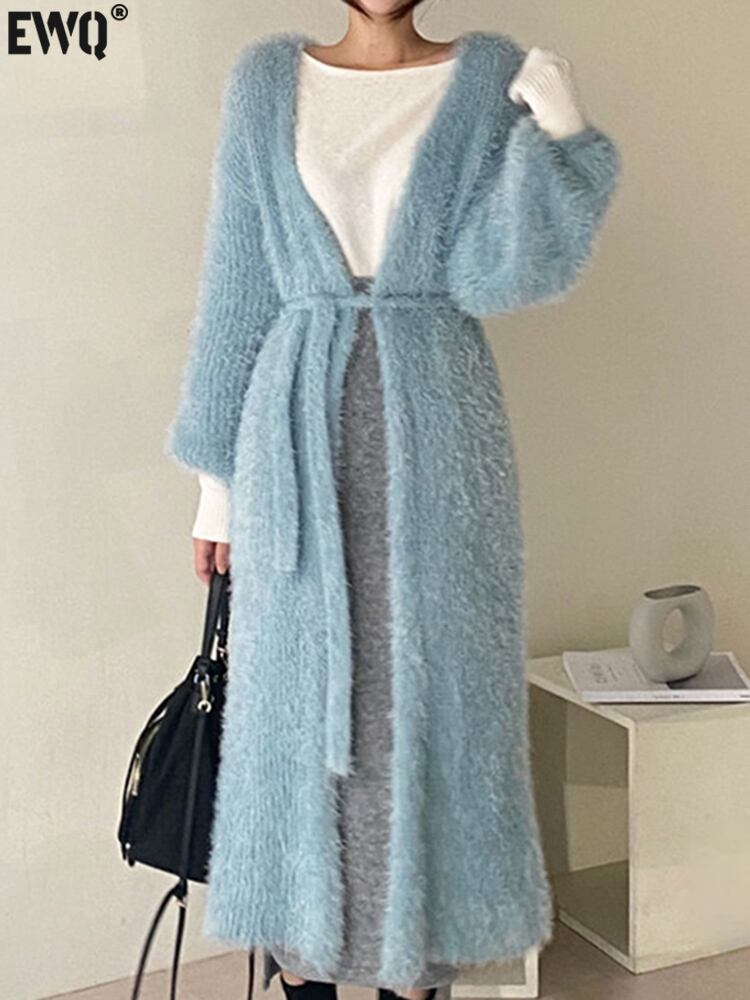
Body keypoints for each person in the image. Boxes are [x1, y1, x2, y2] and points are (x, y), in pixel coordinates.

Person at [164, 3, 621, 999]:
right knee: (298, 703)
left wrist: (561, 137)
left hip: (442, 430)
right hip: (295, 433)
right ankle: (306, 961)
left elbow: (499, 277)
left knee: (434, 692)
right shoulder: (265, 84)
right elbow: (237, 282)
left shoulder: (488, 77)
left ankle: (420, 965)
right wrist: (215, 490)